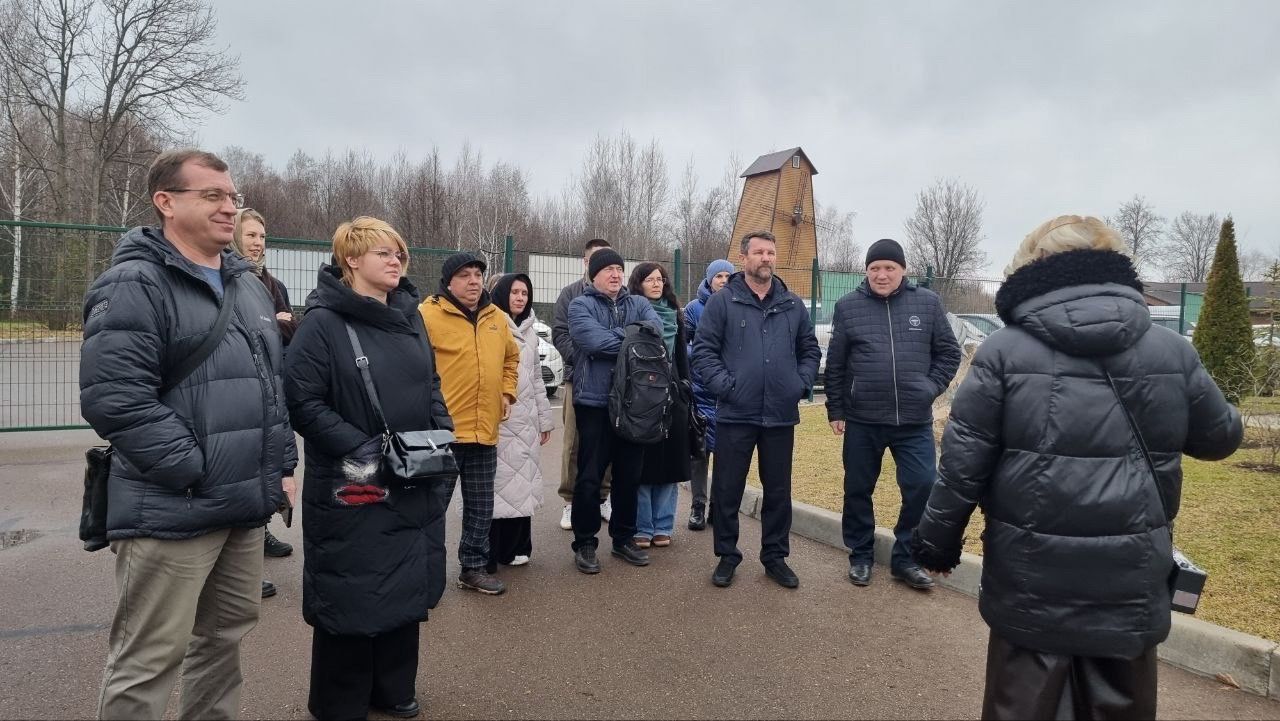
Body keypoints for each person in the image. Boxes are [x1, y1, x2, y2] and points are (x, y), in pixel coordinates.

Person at [910, 215, 1243, 720]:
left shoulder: (1003, 351)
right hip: (1129, 577)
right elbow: (1221, 439)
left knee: (1021, 706)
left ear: (1036, 266)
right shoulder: (1171, 351)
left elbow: (962, 465)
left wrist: (936, 543)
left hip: (1031, 578)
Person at [80, 149, 295, 720]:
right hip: (172, 505)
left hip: (243, 506)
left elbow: (271, 385)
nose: (230, 208)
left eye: (233, 197)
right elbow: (115, 399)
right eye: (213, 196)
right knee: (148, 660)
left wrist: (282, 464)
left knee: (222, 645)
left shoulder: (247, 284)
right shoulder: (133, 284)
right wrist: (195, 468)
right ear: (167, 203)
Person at [285, 216, 452, 721]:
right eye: (383, 252)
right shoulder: (323, 323)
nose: (396, 259)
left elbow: (430, 385)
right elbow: (304, 401)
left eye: (398, 251)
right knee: (353, 588)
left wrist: (443, 439)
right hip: (352, 481)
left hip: (415, 472)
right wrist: (362, 451)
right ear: (351, 260)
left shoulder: (410, 315)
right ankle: (342, 700)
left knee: (406, 584)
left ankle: (393, 687)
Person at [824, 238, 961, 590]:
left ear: (903, 270)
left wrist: (930, 387)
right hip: (862, 419)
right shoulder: (848, 307)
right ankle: (860, 556)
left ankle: (905, 559)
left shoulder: (927, 304)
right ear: (866, 271)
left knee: (921, 486)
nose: (881, 275)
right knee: (858, 489)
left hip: (913, 422)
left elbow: (948, 353)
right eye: (874, 268)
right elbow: (836, 365)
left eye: (889, 268)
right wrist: (835, 409)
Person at [691, 230, 820, 589]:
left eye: (771, 252)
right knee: (728, 489)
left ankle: (775, 557)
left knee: (778, 491)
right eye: (759, 252)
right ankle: (727, 556)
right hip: (735, 413)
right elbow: (703, 351)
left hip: (780, 415)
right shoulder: (723, 302)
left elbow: (810, 349)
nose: (766, 258)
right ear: (744, 258)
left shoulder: (793, 305)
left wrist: (800, 383)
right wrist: (725, 387)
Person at [420, 252, 519, 595]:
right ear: (449, 281)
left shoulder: (497, 318)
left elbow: (511, 358)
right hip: (443, 432)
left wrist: (507, 392)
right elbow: (414, 367)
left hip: (484, 430)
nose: (474, 281)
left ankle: (473, 567)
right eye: (465, 275)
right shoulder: (427, 315)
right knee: (432, 506)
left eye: (478, 274)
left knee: (480, 505)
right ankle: (421, 570)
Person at [566, 247, 662, 573]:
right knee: (590, 476)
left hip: (635, 404)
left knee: (629, 476)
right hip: (595, 402)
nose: (615, 275)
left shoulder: (639, 303)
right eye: (608, 270)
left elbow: (654, 335)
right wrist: (631, 339)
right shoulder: (581, 305)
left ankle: (623, 539)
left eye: (619, 269)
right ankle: (586, 543)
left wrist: (621, 339)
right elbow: (592, 342)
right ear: (593, 275)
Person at [230, 207, 297, 592]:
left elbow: (289, 333)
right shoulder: (229, 281)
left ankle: (261, 532)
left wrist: (284, 325)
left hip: (273, 390)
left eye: (262, 236)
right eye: (251, 235)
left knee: (267, 467)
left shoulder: (272, 284)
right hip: (241, 394)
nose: (257, 243)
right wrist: (278, 323)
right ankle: (241, 568)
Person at [485, 273, 554, 570]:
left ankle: (517, 546)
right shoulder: (490, 324)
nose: (520, 298)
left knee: (521, 483)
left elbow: (537, 379)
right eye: (514, 292)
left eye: (524, 293)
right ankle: (493, 549)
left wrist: (544, 419)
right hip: (500, 419)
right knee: (499, 485)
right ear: (501, 294)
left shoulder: (529, 329)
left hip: (525, 421)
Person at [552, 238, 615, 530]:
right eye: (595, 260)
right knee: (574, 443)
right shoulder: (570, 294)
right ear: (586, 263)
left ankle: (604, 496)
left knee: (608, 443)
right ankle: (569, 500)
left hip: (614, 383)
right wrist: (584, 359)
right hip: (577, 379)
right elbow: (561, 334)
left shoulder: (621, 296)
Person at [630, 262, 692, 549]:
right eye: (650, 279)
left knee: (670, 462)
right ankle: (642, 526)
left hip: (672, 396)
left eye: (661, 279)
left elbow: (682, 358)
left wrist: (684, 389)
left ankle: (663, 525)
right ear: (638, 283)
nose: (657, 283)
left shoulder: (675, 314)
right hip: (641, 397)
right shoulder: (631, 311)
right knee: (643, 464)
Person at [682, 258, 733, 530]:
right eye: (719, 276)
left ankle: (718, 507)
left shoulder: (739, 305)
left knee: (726, 456)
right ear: (709, 279)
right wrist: (705, 356)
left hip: (728, 393)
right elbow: (683, 344)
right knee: (699, 456)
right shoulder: (693, 309)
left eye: (728, 276)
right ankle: (697, 506)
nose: (723, 280)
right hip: (701, 392)